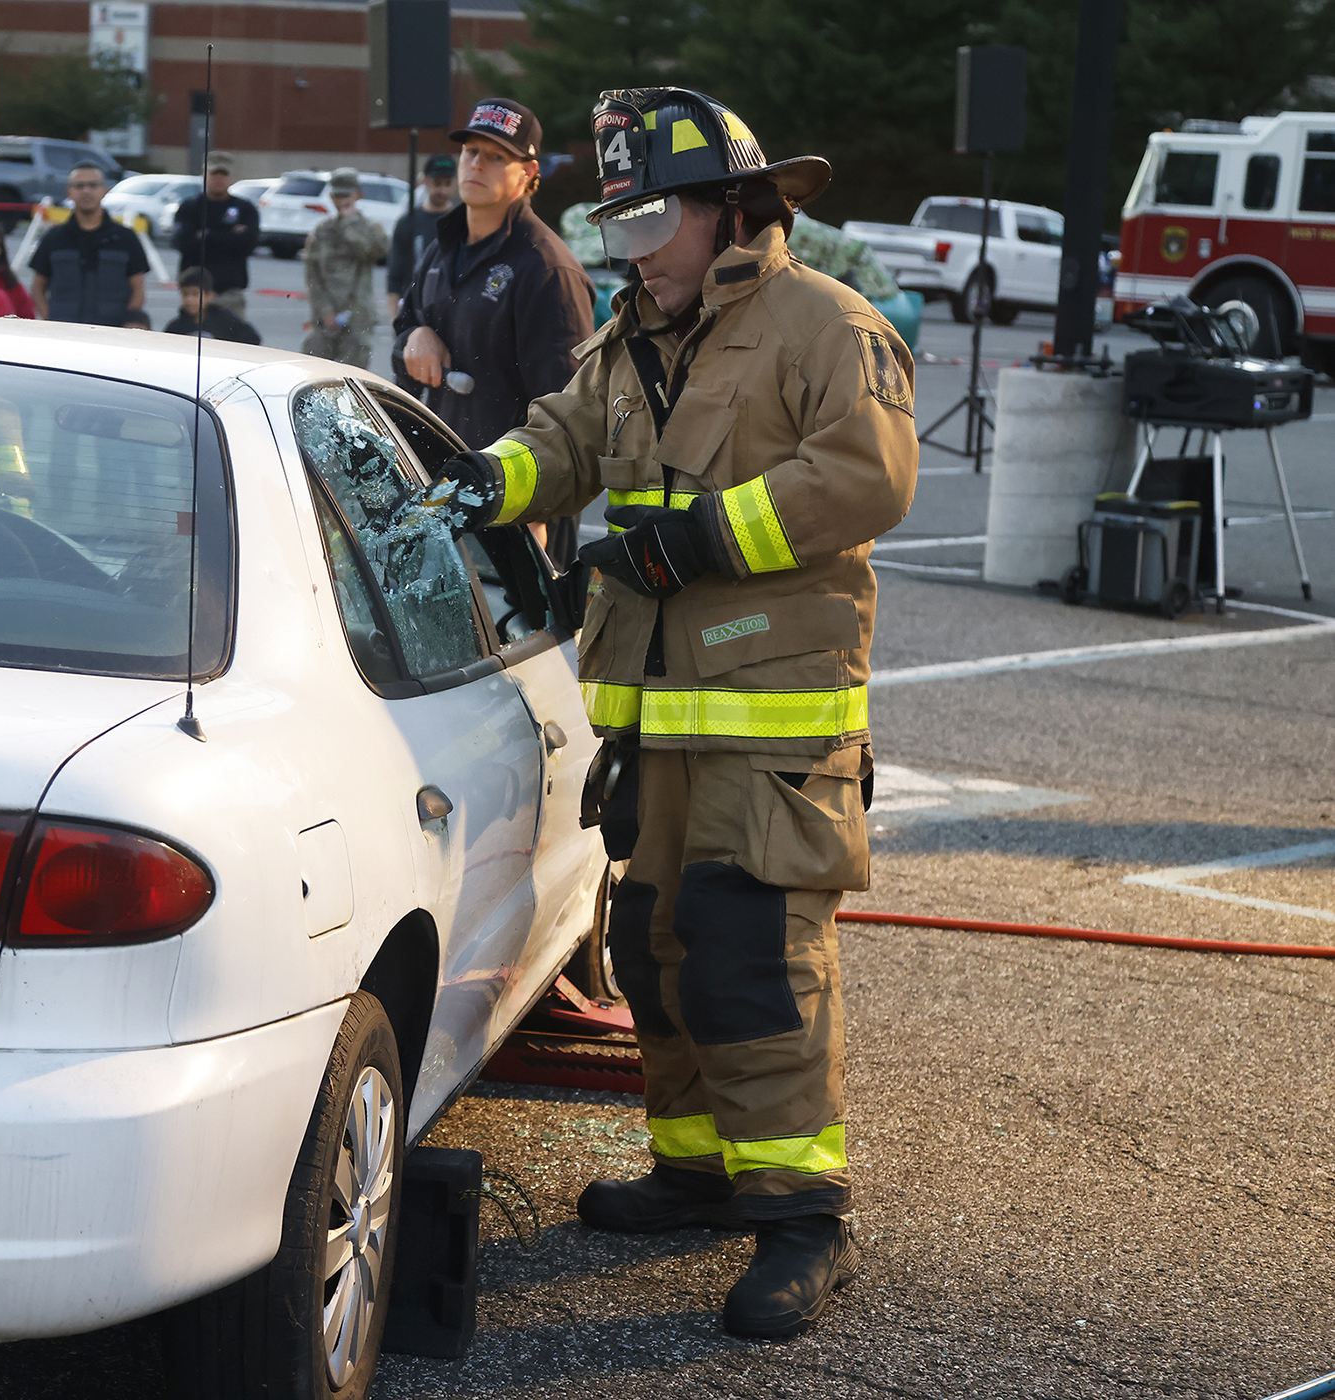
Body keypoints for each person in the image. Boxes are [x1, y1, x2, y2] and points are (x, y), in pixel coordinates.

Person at [435, 87, 918, 1341]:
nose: (635, 249)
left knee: (753, 950)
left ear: (731, 210)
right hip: (655, 713)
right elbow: (564, 440)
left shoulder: (826, 327)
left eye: (655, 221)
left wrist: (701, 539)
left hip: (774, 712)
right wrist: (491, 476)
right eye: (620, 224)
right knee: (655, 942)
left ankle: (805, 1215)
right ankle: (699, 1167)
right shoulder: (631, 336)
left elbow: (870, 472)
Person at [392, 96, 593, 568]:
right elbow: (404, 329)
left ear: (526, 172)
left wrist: (538, 509)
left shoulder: (546, 269)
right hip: (443, 490)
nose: (476, 163)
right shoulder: (442, 248)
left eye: (496, 156)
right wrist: (415, 336)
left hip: (517, 518)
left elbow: (569, 413)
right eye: (470, 152)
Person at [28, 160, 147, 325]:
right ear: (69, 192)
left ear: (104, 190)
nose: (86, 191)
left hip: (112, 334)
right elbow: (37, 288)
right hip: (64, 334)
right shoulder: (54, 238)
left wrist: (128, 325)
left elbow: (139, 289)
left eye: (93, 185)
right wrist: (51, 321)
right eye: (79, 186)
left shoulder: (126, 238)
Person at [300, 167, 386, 367]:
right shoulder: (322, 230)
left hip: (357, 314)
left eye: (347, 195)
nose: (342, 201)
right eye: (338, 196)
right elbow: (312, 274)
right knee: (313, 369)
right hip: (325, 315)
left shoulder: (371, 228)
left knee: (353, 377)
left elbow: (371, 252)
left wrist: (349, 224)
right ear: (331, 197)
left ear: (358, 195)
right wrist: (325, 310)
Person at [171, 151, 259, 317]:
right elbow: (182, 243)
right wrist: (228, 235)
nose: (218, 180)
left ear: (232, 177)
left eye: (223, 175)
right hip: (194, 294)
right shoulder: (190, 207)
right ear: (204, 176)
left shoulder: (245, 209)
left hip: (230, 293)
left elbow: (248, 244)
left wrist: (206, 235)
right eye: (214, 174)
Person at [387, 153, 457, 318]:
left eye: (447, 183)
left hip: (450, 313)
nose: (442, 190)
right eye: (437, 183)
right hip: (414, 311)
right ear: (425, 181)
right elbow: (394, 276)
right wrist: (395, 319)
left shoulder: (461, 221)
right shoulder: (408, 222)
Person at [163, 266, 259, 343]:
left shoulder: (226, 320)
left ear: (209, 295)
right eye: (185, 294)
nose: (189, 299)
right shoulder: (176, 327)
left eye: (195, 294)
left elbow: (253, 339)